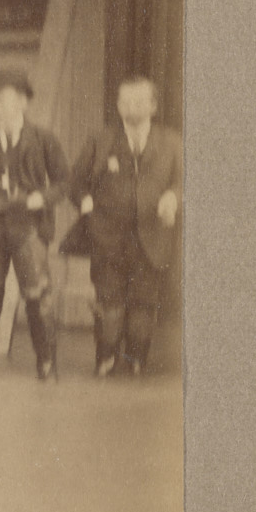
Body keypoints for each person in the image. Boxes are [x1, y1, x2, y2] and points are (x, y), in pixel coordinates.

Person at [0, 66, 71, 381]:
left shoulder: (43, 138)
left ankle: (46, 364)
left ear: (23, 102)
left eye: (2, 100)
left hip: (28, 227)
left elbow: (65, 183)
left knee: (37, 294)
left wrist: (41, 199)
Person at [69, 75, 183, 377]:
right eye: (125, 101)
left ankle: (136, 360)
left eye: (138, 100)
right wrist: (85, 203)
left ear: (153, 106)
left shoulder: (172, 142)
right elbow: (75, 182)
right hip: (107, 236)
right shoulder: (100, 140)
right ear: (118, 106)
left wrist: (173, 197)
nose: (131, 106)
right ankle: (105, 358)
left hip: (153, 237)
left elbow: (183, 182)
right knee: (110, 304)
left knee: (144, 305)